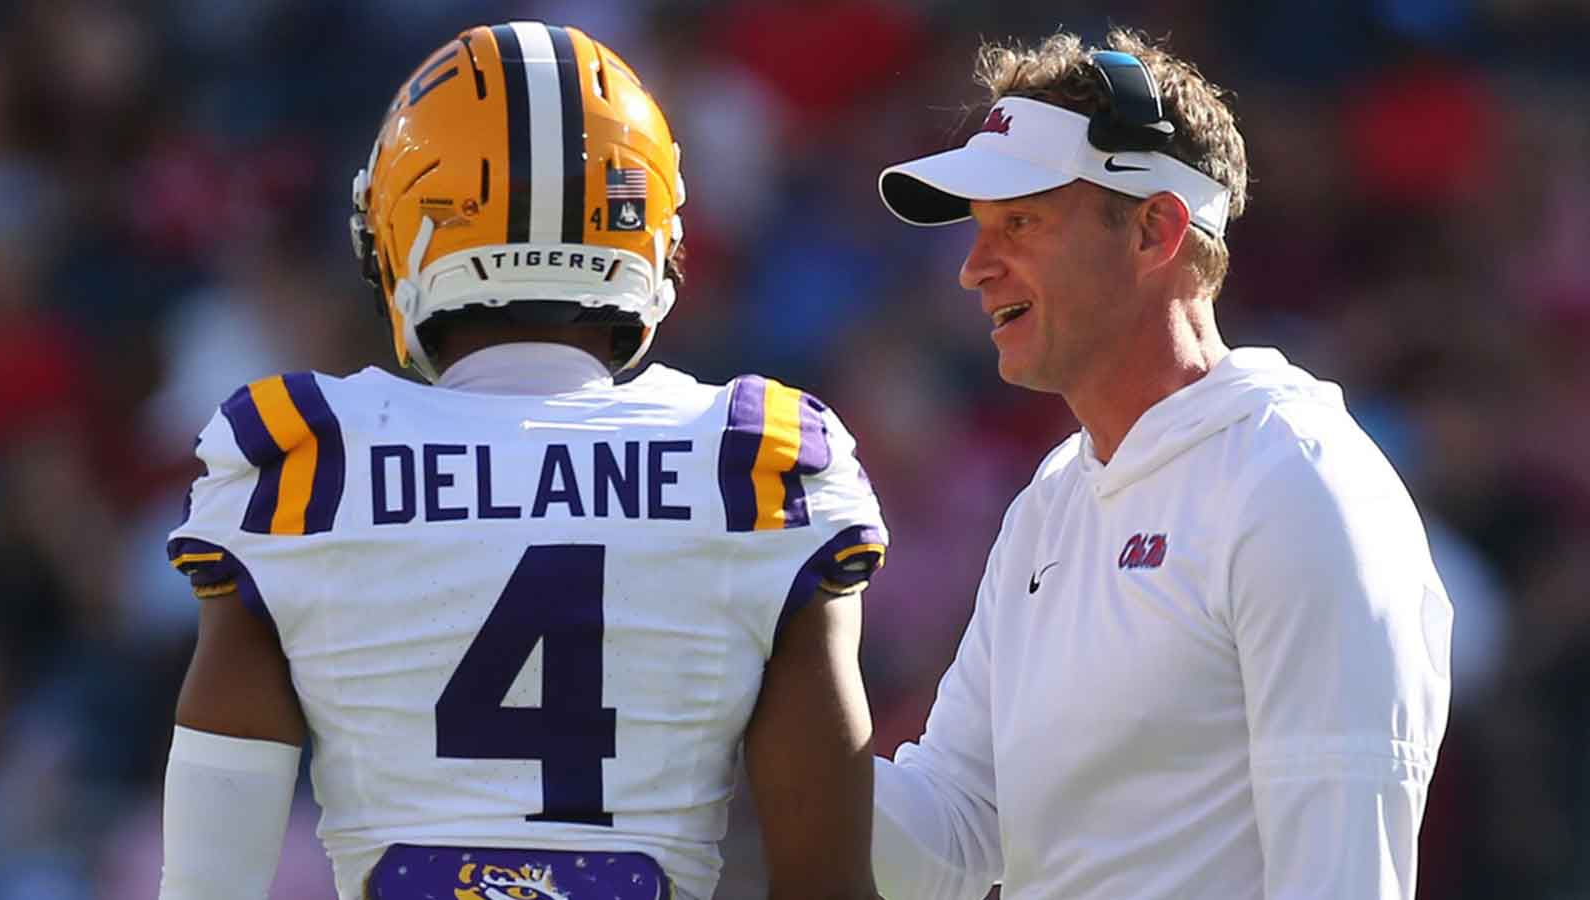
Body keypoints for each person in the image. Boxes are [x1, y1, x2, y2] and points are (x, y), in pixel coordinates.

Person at [158, 21, 887, 900]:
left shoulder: (309, 460)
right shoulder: (749, 462)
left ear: (398, 228)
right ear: (648, 234)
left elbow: (207, 885)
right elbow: (828, 882)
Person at [868, 28, 1451, 900]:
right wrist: (758, 706)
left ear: (1155, 230)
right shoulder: (1051, 503)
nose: (975, 269)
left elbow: (1343, 878)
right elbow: (952, 836)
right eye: (981, 230)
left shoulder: (1297, 484)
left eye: (1019, 222)